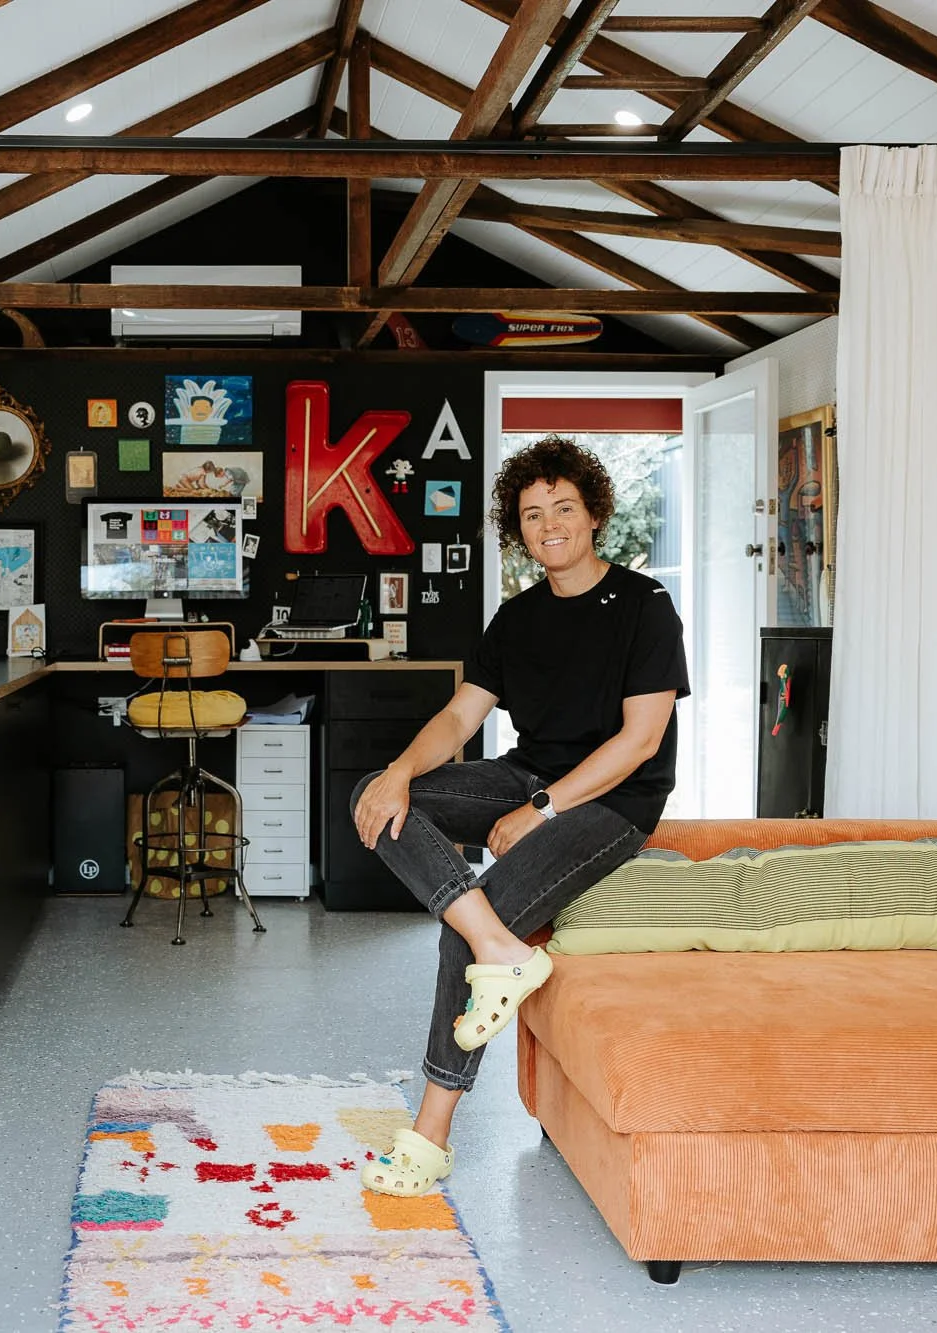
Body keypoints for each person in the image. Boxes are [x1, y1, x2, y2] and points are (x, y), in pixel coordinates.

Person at [349, 436, 690, 1198]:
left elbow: (640, 743)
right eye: (533, 514)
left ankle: (430, 1136)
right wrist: (402, 772)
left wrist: (541, 807)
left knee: (462, 916)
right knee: (376, 793)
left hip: (609, 801)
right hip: (527, 775)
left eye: (563, 507)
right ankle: (500, 947)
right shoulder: (517, 617)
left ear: (594, 513)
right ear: (520, 528)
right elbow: (457, 717)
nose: (550, 525)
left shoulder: (644, 606)